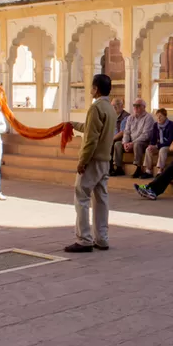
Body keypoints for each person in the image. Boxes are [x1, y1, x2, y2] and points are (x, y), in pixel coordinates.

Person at [65, 74, 117, 253]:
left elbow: (92, 138)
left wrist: (83, 161)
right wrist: (73, 125)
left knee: (82, 197)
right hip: (104, 160)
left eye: (92, 87)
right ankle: (102, 238)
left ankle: (84, 239)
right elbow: (91, 128)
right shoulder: (110, 108)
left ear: (96, 88)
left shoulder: (96, 108)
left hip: (93, 159)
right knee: (101, 199)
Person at [114, 99, 153, 178]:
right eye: (134, 105)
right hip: (130, 142)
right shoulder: (130, 118)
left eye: (138, 106)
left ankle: (138, 168)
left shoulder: (148, 118)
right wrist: (125, 143)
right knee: (118, 144)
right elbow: (126, 132)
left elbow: (145, 135)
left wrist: (132, 143)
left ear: (144, 107)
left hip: (143, 142)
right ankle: (118, 168)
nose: (136, 107)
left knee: (137, 144)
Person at [143, 108, 173, 178]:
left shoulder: (171, 125)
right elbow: (153, 138)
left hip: (170, 146)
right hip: (159, 145)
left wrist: (157, 146)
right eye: (157, 116)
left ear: (165, 116)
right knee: (148, 149)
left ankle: (160, 170)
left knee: (163, 149)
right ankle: (148, 170)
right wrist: (151, 145)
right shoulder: (156, 125)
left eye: (160, 116)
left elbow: (170, 141)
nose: (158, 118)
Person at [107, 98, 129, 176]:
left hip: (124, 139)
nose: (114, 107)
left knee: (114, 143)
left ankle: (114, 168)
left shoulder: (126, 116)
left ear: (121, 106)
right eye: (112, 106)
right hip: (114, 137)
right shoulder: (112, 115)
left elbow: (123, 132)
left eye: (116, 105)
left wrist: (111, 139)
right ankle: (107, 167)